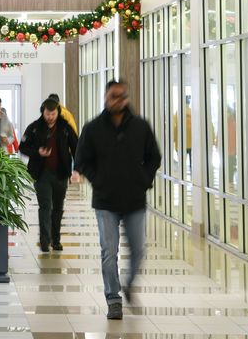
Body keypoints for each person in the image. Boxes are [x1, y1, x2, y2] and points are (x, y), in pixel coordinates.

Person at [75, 80, 161, 320]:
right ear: (106, 97)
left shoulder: (141, 127)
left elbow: (154, 156)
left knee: (138, 250)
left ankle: (129, 283)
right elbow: (81, 160)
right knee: (109, 251)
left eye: (122, 96)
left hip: (134, 199)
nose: (118, 101)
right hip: (105, 201)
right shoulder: (92, 128)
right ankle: (113, 298)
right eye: (114, 96)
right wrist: (98, 179)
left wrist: (144, 179)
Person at [19, 98, 80, 253]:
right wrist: (37, 152)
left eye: (53, 114)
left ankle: (56, 240)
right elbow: (23, 147)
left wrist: (76, 169)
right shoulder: (34, 127)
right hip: (42, 174)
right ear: (43, 112)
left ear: (57, 112)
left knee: (58, 208)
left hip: (60, 174)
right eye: (47, 113)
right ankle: (45, 241)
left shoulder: (65, 128)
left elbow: (76, 147)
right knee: (45, 207)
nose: (50, 117)